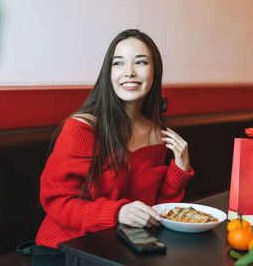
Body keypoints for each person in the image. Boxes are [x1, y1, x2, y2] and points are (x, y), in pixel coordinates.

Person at [31, 29, 194, 266]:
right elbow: (58, 201)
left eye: (140, 62)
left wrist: (179, 170)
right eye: (118, 63)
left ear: (154, 71)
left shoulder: (158, 136)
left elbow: (154, 212)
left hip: (118, 250)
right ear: (109, 73)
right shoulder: (81, 128)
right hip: (64, 250)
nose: (129, 72)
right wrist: (117, 213)